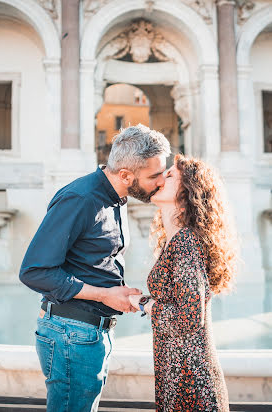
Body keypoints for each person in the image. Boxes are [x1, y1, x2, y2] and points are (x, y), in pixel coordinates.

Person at [19, 124, 171, 412]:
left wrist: (116, 293)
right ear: (126, 175)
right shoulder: (81, 198)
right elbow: (34, 271)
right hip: (70, 335)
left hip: (87, 333)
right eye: (154, 175)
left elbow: (94, 263)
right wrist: (103, 295)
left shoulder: (116, 197)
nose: (160, 181)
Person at [130, 154, 238, 412]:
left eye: (169, 176)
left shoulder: (185, 242)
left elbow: (188, 318)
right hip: (180, 376)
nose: (159, 180)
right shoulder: (177, 240)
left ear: (186, 192)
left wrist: (144, 303)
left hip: (192, 381)